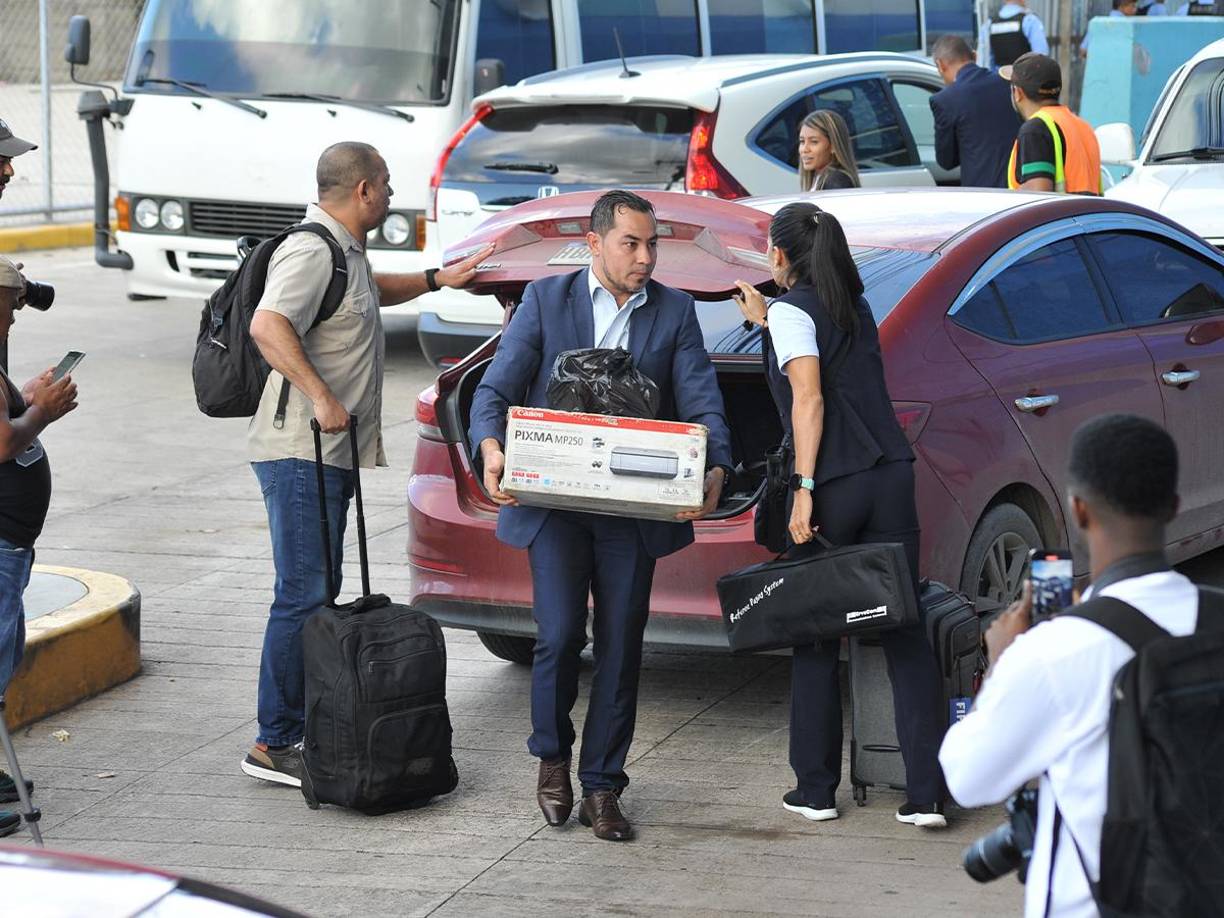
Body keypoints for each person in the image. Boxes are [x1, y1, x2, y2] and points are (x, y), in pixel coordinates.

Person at [469, 189, 733, 842]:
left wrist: (716, 463)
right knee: (558, 636)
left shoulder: (674, 312)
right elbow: (496, 389)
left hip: (632, 510)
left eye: (652, 245)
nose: (645, 258)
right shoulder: (544, 300)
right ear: (595, 245)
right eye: (631, 244)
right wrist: (491, 446)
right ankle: (552, 757)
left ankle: (603, 787)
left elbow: (702, 397)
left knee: (621, 646)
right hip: (555, 506)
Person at [241, 141, 490, 787]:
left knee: (313, 591)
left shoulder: (344, 252)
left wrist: (438, 280)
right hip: (301, 450)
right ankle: (274, 741)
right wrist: (322, 397)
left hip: (326, 453)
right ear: (363, 191)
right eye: (384, 183)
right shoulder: (310, 248)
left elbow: (371, 290)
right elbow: (269, 327)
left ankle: (290, 731)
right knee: (302, 596)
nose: (388, 193)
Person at [732, 202, 948, 829]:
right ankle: (926, 797)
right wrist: (766, 317)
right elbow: (828, 359)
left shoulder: (793, 313)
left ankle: (817, 789)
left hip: (837, 486)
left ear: (777, 256)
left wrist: (803, 487)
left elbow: (809, 398)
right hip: (891, 476)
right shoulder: (853, 306)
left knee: (816, 632)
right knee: (904, 630)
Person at [940, 414, 1194, 917]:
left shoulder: (1055, 653)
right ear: (1173, 507)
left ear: (1078, 510)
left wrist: (1001, 666)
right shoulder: (1212, 616)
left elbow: (966, 778)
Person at [0, 257, 80, 838]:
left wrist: (26, 397)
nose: (11, 320)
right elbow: (3, 442)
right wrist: (41, 414)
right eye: (8, 307)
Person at [1001, 53, 1102, 194]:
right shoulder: (1084, 127)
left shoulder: (1035, 130)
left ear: (1018, 93)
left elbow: (1038, 191)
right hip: (1087, 215)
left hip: (1060, 216)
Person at [930, 35, 1022, 188]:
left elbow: (946, 161)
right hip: (1021, 188)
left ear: (940, 65)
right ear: (975, 56)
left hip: (981, 194)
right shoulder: (1009, 84)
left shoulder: (945, 100)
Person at [798, 110, 860, 191]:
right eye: (802, 141)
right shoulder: (819, 178)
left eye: (814, 142)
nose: (804, 149)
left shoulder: (836, 181)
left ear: (833, 146)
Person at [986, 0, 1049, 68]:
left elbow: (985, 60)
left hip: (998, 76)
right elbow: (1041, 58)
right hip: (1024, 75)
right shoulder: (1030, 20)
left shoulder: (989, 24)